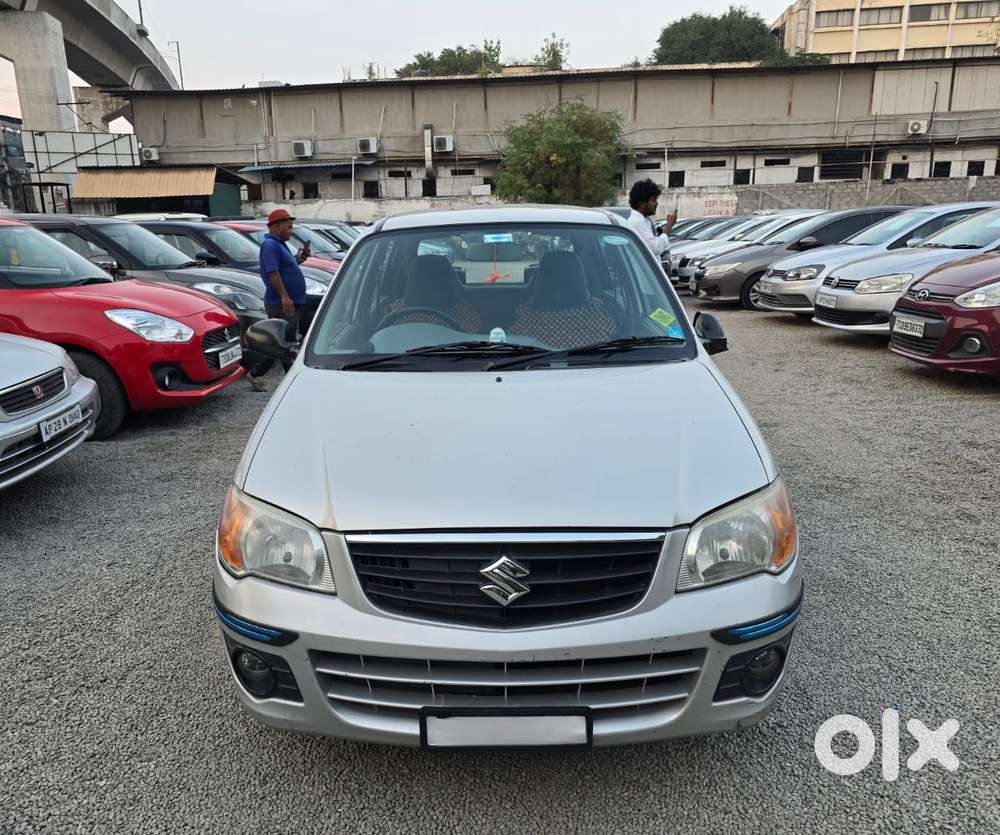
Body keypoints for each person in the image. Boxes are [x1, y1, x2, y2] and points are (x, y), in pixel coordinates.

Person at [246, 208, 309, 392]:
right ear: (279, 225)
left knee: (281, 341)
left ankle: (264, 374)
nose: (291, 231)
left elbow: (287, 267)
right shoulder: (270, 246)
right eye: (289, 227)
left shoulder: (280, 244)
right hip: (280, 302)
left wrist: (300, 258)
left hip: (289, 301)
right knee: (281, 342)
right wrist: (284, 296)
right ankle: (287, 379)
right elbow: (273, 273)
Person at [626, 178, 677, 258]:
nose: (657, 204)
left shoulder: (645, 220)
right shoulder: (636, 222)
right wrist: (669, 226)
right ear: (641, 203)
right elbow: (656, 248)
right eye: (653, 200)